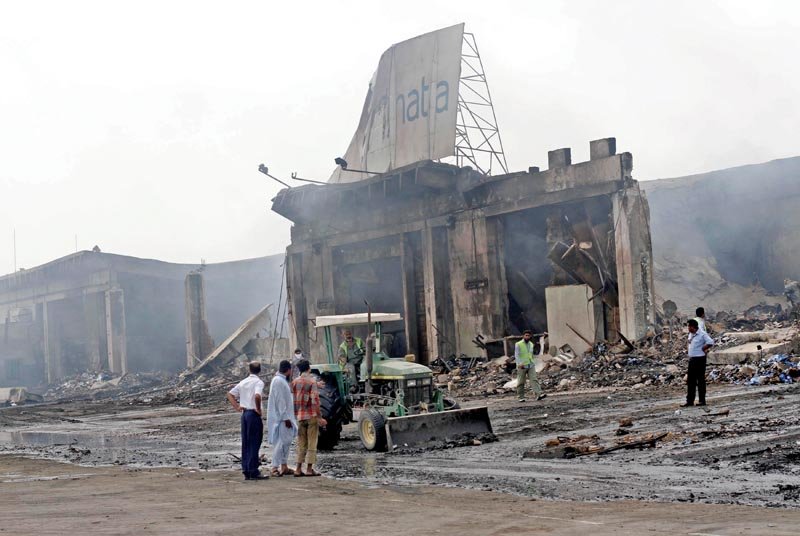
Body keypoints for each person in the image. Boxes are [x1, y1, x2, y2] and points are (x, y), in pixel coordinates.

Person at [226, 361, 267, 480]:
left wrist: (237, 407)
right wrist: (258, 409)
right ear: (260, 370)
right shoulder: (258, 382)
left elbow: (230, 394)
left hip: (244, 414)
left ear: (249, 370)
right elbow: (258, 396)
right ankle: (253, 470)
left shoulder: (243, 382)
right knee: (255, 442)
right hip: (253, 414)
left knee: (246, 442)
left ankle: (246, 469)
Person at [291, 359, 327, 477]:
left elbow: (296, 396)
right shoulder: (312, 382)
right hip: (311, 416)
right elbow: (315, 401)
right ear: (309, 368)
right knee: (312, 443)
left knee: (301, 443)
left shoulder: (295, 382)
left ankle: (297, 469)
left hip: (300, 416)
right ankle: (309, 469)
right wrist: (320, 418)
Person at [267, 360, 297, 477]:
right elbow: (280, 401)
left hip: (285, 417)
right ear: (289, 370)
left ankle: (284, 466)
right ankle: (274, 467)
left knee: (286, 442)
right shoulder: (278, 381)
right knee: (280, 443)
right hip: (282, 419)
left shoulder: (281, 380)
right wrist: (285, 418)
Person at [683, 318, 715, 407]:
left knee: (700, 380)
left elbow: (710, 342)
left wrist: (703, 348)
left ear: (693, 326)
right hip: (692, 359)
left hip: (700, 359)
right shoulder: (690, 334)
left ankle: (702, 400)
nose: (688, 328)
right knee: (690, 381)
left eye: (689, 326)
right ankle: (690, 401)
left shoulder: (702, 334)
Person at [515, 330, 546, 402]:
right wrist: (519, 364)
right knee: (521, 382)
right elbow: (516, 355)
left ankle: (539, 394)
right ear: (523, 336)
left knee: (534, 379)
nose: (527, 337)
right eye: (526, 335)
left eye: (528, 335)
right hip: (522, 366)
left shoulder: (531, 344)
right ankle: (521, 397)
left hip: (530, 365)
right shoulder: (518, 344)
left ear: (530, 336)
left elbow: (531, 355)